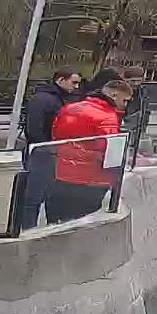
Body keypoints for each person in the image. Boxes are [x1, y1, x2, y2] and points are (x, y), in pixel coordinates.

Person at [46, 76, 132, 223]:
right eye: (125, 100)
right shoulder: (107, 117)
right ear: (114, 95)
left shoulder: (68, 108)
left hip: (61, 175)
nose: (125, 105)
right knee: (82, 226)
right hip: (91, 181)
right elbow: (110, 154)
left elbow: (55, 136)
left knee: (57, 225)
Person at [20, 68, 81, 228]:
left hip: (54, 152)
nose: (76, 87)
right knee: (33, 196)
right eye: (74, 82)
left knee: (50, 193)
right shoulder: (43, 99)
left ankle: (50, 225)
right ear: (61, 80)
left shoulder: (62, 98)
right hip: (41, 154)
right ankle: (28, 228)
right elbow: (33, 130)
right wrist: (48, 147)